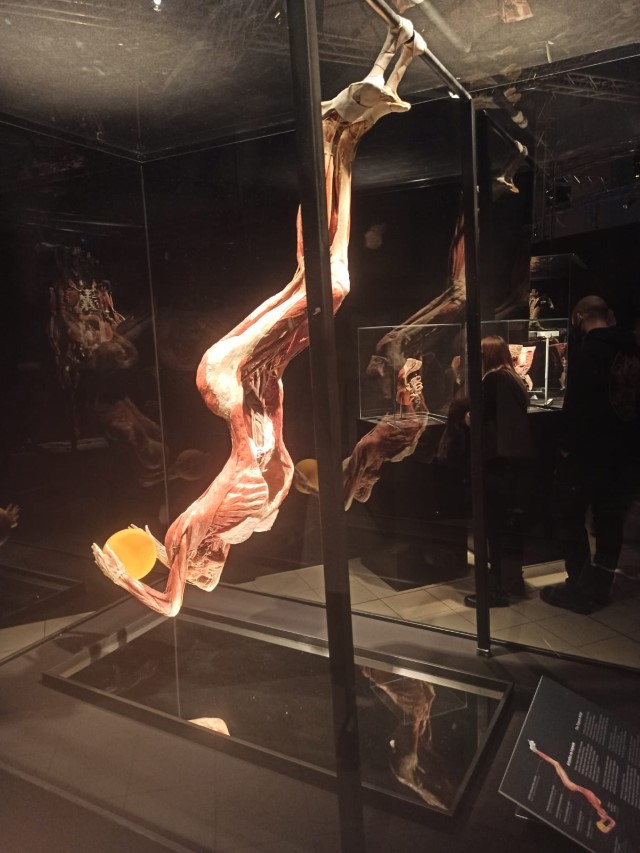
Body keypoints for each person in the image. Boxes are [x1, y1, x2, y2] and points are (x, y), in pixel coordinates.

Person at [542, 295, 640, 614]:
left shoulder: (588, 352)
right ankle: (600, 585)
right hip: (623, 452)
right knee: (609, 520)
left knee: (567, 515)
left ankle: (580, 586)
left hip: (587, 453)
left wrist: (564, 447)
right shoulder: (629, 350)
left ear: (579, 316)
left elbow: (577, 406)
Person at [465, 335, 534, 608]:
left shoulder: (492, 380)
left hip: (495, 461)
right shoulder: (513, 378)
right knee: (507, 524)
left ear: (486, 356)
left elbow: (478, 417)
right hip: (514, 463)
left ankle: (496, 588)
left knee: (493, 525)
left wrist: (466, 418)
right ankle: (511, 579)